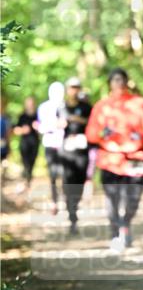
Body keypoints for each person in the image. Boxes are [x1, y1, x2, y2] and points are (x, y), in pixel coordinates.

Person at [85, 68, 143, 252]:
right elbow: (91, 134)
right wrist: (104, 134)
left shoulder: (139, 103)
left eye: (121, 79)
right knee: (112, 200)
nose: (118, 83)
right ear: (109, 83)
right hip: (110, 159)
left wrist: (138, 136)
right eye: (114, 79)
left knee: (134, 198)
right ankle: (116, 233)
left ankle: (125, 224)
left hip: (135, 159)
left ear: (126, 82)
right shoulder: (102, 106)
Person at [60, 77, 91, 235]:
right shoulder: (61, 107)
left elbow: (93, 124)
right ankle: (72, 215)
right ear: (67, 89)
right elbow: (52, 124)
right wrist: (61, 124)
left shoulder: (86, 107)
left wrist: (79, 120)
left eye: (76, 87)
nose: (74, 90)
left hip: (82, 149)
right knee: (67, 182)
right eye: (71, 87)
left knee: (79, 181)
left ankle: (75, 207)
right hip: (66, 151)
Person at [36, 81, 65, 213]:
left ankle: (66, 198)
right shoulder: (43, 107)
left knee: (64, 173)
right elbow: (41, 127)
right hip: (49, 143)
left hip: (64, 144)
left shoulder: (65, 106)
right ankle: (54, 201)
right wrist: (55, 125)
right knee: (53, 174)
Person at [14, 96, 40, 190]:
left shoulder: (38, 115)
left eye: (31, 103)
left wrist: (38, 127)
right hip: (24, 143)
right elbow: (16, 129)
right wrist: (23, 130)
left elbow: (43, 128)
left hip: (35, 142)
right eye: (28, 103)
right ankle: (26, 178)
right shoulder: (22, 116)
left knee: (32, 162)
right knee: (25, 162)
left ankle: (28, 178)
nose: (30, 105)